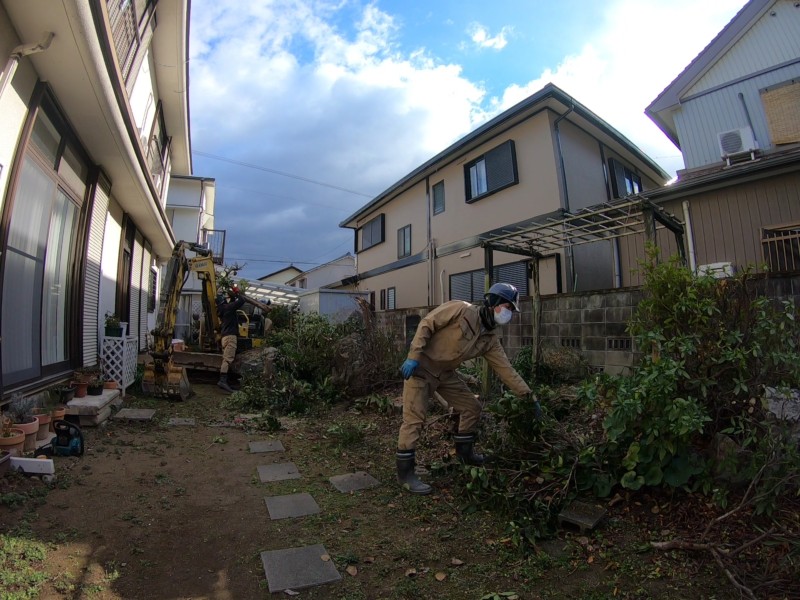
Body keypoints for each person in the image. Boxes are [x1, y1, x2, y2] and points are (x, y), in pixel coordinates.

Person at [396, 282, 541, 495]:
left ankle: (465, 454)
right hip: (421, 369)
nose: (509, 313)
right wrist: (413, 357)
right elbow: (427, 323)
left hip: (445, 374)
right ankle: (406, 474)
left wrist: (529, 397)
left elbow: (506, 370)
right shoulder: (461, 309)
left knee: (472, 407)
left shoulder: (490, 339)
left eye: (511, 310)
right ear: (493, 303)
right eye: (507, 307)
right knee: (414, 419)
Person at [216, 285, 245, 393]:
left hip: (225, 336)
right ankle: (222, 381)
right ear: (223, 301)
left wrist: (232, 297)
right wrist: (236, 291)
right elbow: (242, 300)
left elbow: (232, 303)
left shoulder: (222, 309)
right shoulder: (228, 308)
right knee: (228, 359)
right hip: (230, 337)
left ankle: (228, 381)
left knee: (228, 358)